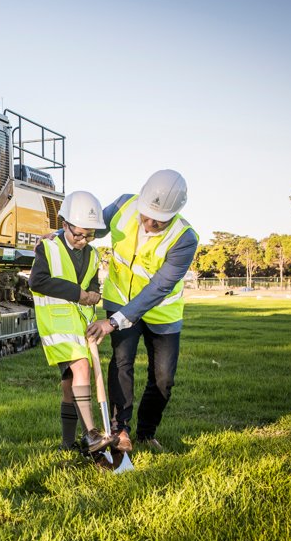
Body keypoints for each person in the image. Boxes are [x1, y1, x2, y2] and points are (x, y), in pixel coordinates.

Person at [86, 170, 199, 453]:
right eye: (145, 216)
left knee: (164, 378)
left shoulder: (185, 238)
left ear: (174, 214)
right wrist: (60, 235)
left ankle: (147, 432)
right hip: (120, 298)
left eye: (158, 221)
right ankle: (120, 430)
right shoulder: (124, 205)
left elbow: (159, 287)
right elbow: (90, 228)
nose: (148, 224)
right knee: (121, 363)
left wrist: (113, 322)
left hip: (162, 313)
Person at [29, 191, 116, 455]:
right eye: (78, 233)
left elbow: (91, 283)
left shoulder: (93, 254)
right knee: (81, 367)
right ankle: (91, 435)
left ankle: (67, 444)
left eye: (89, 235)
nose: (82, 240)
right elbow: (38, 282)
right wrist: (78, 293)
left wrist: (93, 294)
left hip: (80, 327)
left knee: (70, 386)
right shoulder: (48, 247)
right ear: (64, 223)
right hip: (55, 326)